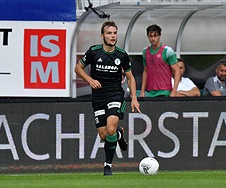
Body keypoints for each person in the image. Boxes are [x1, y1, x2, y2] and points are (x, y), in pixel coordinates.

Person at [74, 21, 141, 176]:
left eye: (115, 33)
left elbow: (130, 77)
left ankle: (107, 166)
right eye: (109, 33)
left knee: (110, 127)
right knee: (105, 135)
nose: (112, 36)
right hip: (98, 98)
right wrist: (89, 80)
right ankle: (119, 134)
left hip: (115, 95)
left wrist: (134, 98)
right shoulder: (94, 52)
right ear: (102, 35)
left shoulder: (121, 55)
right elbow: (78, 68)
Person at [140, 24, 181, 97]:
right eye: (151, 36)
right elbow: (145, 71)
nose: (153, 39)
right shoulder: (145, 51)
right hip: (151, 92)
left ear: (160, 36)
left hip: (165, 91)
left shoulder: (168, 51)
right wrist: (142, 91)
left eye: (155, 36)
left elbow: (177, 70)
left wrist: (174, 90)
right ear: (148, 37)